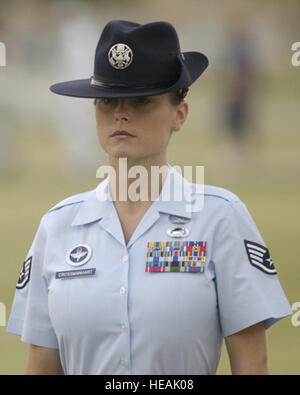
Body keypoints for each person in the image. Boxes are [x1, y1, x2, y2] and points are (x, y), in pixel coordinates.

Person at [7, 20, 291, 375]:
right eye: (107, 102)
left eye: (142, 101)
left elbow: (252, 367)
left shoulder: (221, 219)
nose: (120, 114)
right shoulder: (57, 226)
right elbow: (41, 367)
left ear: (180, 115)